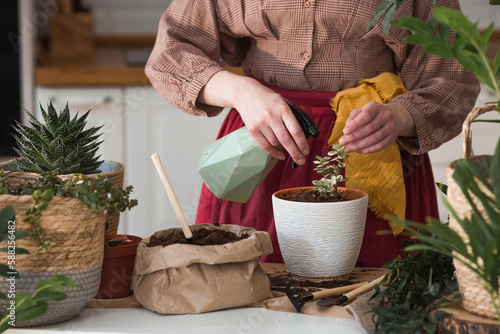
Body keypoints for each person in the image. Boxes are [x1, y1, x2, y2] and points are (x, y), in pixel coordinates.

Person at [146, 0, 480, 267]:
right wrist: (240, 92)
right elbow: (170, 53)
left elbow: (453, 79)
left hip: (373, 149)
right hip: (261, 145)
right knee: (244, 285)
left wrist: (399, 116)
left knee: (374, 298)